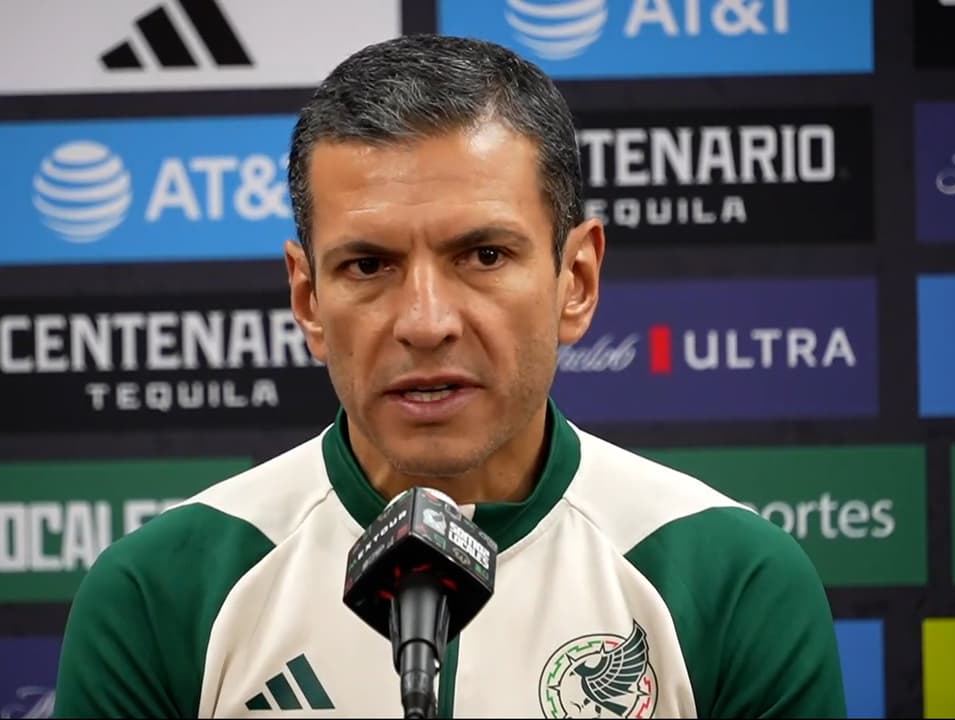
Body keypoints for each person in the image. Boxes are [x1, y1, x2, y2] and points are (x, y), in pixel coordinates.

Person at [53, 34, 847, 719]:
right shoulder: (161, 594)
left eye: (484, 255)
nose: (426, 321)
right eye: (369, 265)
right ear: (308, 300)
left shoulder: (728, 578)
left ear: (576, 280)